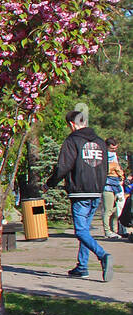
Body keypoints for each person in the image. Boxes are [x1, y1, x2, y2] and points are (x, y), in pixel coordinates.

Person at [46, 110, 111, 281]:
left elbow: (63, 166)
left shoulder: (72, 140)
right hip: (96, 190)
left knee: (81, 231)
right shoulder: (100, 142)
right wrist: (100, 185)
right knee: (86, 231)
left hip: (80, 191)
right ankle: (82, 266)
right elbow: (105, 167)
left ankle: (103, 255)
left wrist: (50, 183)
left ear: (72, 124)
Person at [103, 139, 124, 238]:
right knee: (108, 210)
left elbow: (118, 169)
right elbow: (109, 169)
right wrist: (115, 168)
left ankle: (114, 230)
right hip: (107, 186)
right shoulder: (103, 155)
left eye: (115, 148)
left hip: (116, 184)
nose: (113, 150)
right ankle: (107, 231)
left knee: (116, 210)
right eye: (112, 148)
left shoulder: (114, 156)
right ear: (107, 146)